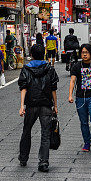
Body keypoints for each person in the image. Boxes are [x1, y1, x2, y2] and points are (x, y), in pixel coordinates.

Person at [18, 44, 59, 172]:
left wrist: (21, 106)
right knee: (45, 133)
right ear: (44, 54)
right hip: (46, 104)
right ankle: (43, 162)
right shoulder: (49, 68)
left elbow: (23, 87)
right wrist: (55, 105)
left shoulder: (26, 69)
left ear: (31, 55)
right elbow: (53, 89)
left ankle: (23, 158)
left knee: (27, 130)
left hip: (31, 105)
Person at [68, 43, 91, 153]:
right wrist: (70, 94)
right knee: (84, 122)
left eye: (87, 52)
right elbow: (73, 81)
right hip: (80, 98)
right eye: (83, 52)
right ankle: (87, 142)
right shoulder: (76, 66)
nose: (84, 55)